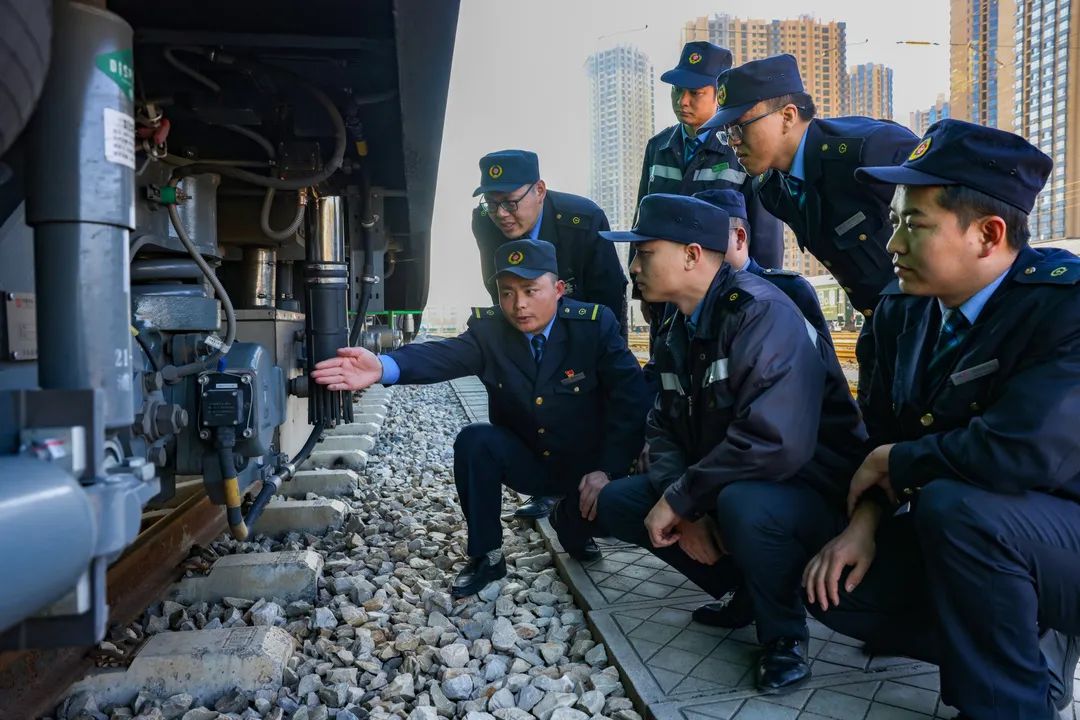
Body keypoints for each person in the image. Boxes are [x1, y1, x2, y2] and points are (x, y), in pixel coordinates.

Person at [788, 119, 1080, 719]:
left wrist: (898, 462)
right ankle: (1021, 656)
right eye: (893, 221)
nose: (892, 244)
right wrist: (864, 522)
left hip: (1058, 537)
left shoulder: (1064, 308)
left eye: (914, 225)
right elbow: (881, 436)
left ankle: (1011, 702)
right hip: (988, 534)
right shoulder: (901, 312)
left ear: (988, 234)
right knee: (835, 584)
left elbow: (1020, 450)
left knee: (959, 510)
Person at [593, 193, 866, 694]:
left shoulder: (760, 312)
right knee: (618, 503)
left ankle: (784, 636)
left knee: (745, 505)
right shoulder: (677, 324)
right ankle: (749, 588)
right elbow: (662, 426)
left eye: (645, 253)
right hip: (731, 479)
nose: (633, 267)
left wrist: (683, 499)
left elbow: (775, 443)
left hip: (809, 489)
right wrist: (685, 505)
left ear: (692, 255)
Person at [311, 239, 649, 598]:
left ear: (558, 289)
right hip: (531, 462)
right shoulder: (491, 331)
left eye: (530, 290)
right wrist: (383, 366)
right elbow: (445, 355)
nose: (518, 304)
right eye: (507, 293)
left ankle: (569, 521)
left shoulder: (593, 326)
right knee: (475, 440)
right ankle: (487, 556)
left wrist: (608, 470)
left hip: (586, 469)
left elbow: (630, 400)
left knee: (585, 530)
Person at [699, 53, 918, 399]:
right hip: (882, 321)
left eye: (740, 127)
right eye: (727, 133)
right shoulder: (771, 189)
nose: (733, 141)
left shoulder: (869, 151)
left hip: (930, 319)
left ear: (787, 116)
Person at [472, 149, 630, 520]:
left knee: (591, 397)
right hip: (531, 322)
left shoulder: (583, 220)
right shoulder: (484, 221)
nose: (501, 214)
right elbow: (498, 286)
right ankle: (545, 487)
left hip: (587, 324)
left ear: (539, 190)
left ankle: (603, 481)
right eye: (492, 203)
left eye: (510, 202)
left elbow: (609, 294)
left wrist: (606, 351)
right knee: (529, 395)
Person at [633, 41, 784, 349]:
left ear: (719, 94)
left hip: (723, 292)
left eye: (695, 92)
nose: (683, 101)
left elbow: (764, 232)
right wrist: (642, 291)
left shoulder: (741, 148)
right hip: (666, 291)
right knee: (668, 366)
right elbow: (642, 221)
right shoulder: (658, 148)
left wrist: (763, 292)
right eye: (677, 90)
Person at [693, 188, 831, 338]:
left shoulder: (790, 290)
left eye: (707, 237)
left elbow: (820, 352)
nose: (695, 249)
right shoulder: (689, 296)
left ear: (739, 237)